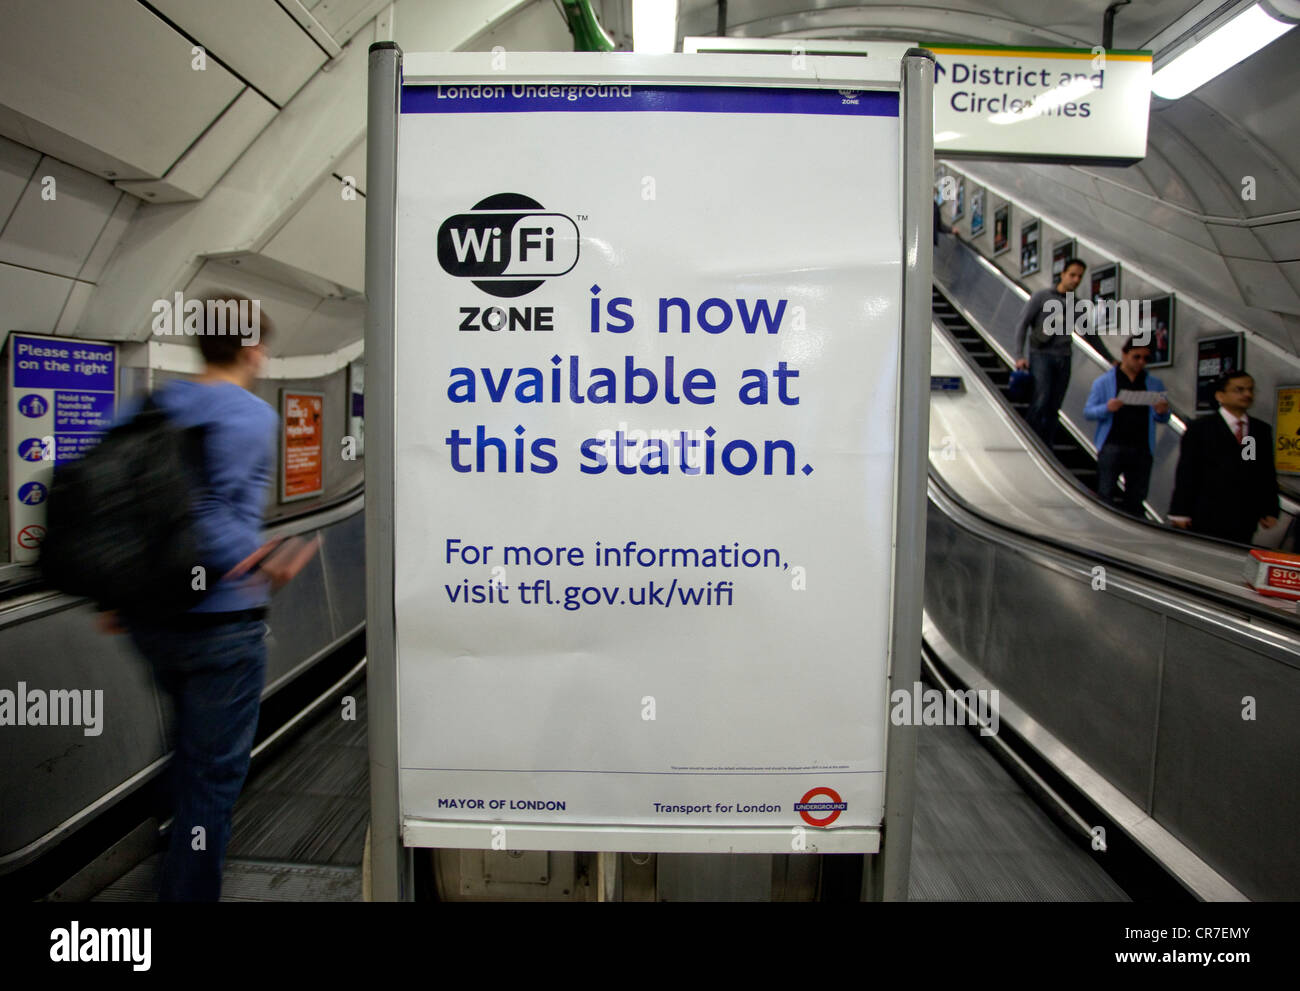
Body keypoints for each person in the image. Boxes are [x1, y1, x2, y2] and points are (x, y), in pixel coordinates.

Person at [101, 294, 315, 900]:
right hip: (222, 621)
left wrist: (115, 593)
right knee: (215, 774)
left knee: (186, 743)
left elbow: (123, 499)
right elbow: (208, 510)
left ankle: (171, 834)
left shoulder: (156, 404)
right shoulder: (249, 415)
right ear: (252, 349)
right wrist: (261, 559)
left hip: (153, 618)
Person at [1169, 370, 1279, 543]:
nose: (1247, 394)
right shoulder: (1200, 429)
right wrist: (1180, 511)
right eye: (1239, 390)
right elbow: (1187, 472)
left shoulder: (1260, 430)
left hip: (1244, 516)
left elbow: (1264, 472)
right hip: (1207, 513)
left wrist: (1270, 509)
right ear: (1220, 395)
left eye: (1250, 390)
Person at [1083, 337, 1171, 516]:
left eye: (1146, 359)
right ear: (1124, 354)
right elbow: (1088, 412)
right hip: (1112, 444)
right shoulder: (1104, 381)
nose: (1141, 362)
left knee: (1136, 498)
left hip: (1142, 448)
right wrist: (1107, 408)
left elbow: (1162, 418)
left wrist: (1162, 411)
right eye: (1136, 357)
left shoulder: (1154, 384)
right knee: (1105, 493)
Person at [1014, 258, 1087, 446]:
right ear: (1062, 274)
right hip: (1041, 355)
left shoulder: (1076, 304)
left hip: (1064, 357)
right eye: (1072, 275)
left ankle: (1047, 446)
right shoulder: (1042, 297)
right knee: (1041, 399)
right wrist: (1019, 356)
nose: (1076, 280)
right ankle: (1030, 443)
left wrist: (1110, 359)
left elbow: (1090, 333)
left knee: (1054, 406)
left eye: (1080, 276)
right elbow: (1022, 324)